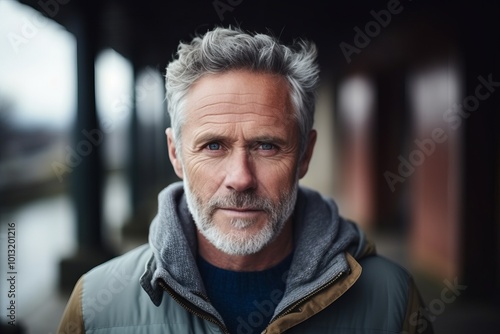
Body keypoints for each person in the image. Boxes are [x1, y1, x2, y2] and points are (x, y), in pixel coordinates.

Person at [58, 26, 433, 334]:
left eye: (267, 146)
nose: (240, 178)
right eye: (214, 145)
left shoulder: (392, 301)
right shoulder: (95, 307)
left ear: (305, 154)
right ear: (175, 153)